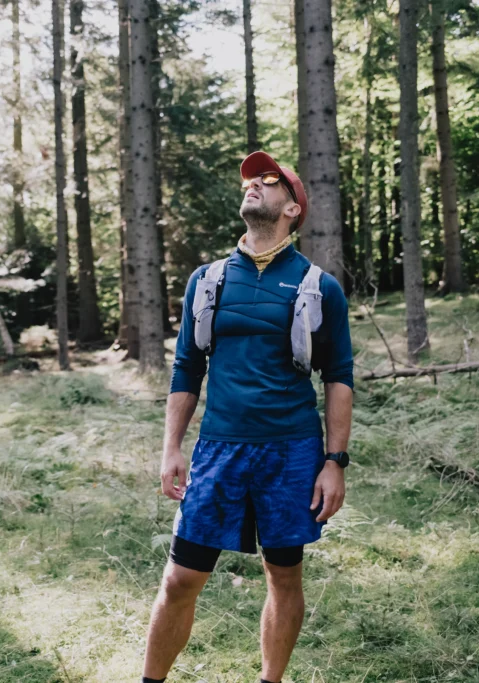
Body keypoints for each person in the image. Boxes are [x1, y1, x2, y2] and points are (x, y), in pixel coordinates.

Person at [141, 152, 354, 683]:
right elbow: (188, 368)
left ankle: (270, 680)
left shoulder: (318, 286)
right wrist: (172, 447)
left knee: (283, 577)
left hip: (291, 453)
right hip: (219, 450)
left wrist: (335, 462)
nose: (254, 185)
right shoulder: (207, 281)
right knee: (179, 579)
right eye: (251, 180)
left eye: (269, 181)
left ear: (292, 209)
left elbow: (338, 378)